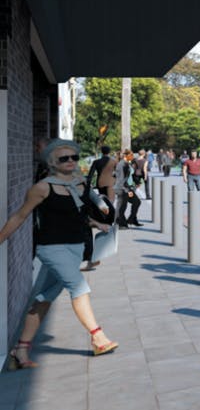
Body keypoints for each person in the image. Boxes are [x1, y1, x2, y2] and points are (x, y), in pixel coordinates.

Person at [0, 139, 119, 369]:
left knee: (44, 298)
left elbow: (78, 214)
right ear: (52, 162)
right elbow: (20, 216)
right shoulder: (42, 188)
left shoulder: (80, 184)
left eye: (74, 157)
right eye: (64, 158)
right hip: (52, 248)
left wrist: (97, 222)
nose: (70, 161)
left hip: (75, 247)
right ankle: (98, 337)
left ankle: (20, 350)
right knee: (79, 286)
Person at [114, 149, 142, 228]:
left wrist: (137, 182)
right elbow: (120, 179)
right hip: (123, 188)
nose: (133, 156)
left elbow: (130, 175)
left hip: (128, 187)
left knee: (136, 202)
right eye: (131, 155)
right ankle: (121, 223)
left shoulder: (127, 163)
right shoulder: (121, 164)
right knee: (123, 206)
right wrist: (127, 190)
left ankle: (131, 219)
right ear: (126, 155)